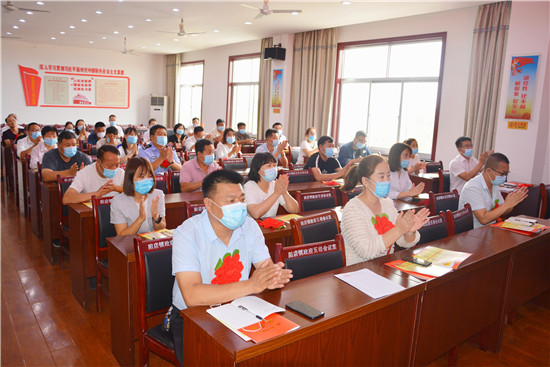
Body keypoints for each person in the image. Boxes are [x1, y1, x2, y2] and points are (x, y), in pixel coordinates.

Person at [170, 169, 293, 366]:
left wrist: (273, 276)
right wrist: (253, 285)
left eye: (242, 199)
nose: (239, 206)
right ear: (209, 205)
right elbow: (192, 296)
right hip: (193, 317)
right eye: (231, 201)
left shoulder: (249, 226)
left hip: (238, 306)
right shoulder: (186, 233)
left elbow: (265, 268)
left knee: (274, 350)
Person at [340, 155, 430, 265]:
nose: (387, 181)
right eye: (381, 177)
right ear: (365, 181)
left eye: (388, 176)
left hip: (385, 267)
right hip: (359, 271)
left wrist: (409, 232)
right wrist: (399, 229)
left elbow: (402, 241)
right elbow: (366, 251)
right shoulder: (353, 210)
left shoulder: (386, 203)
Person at [458, 153, 528, 229]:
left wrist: (512, 203)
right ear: (488, 171)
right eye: (502, 173)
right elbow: (483, 219)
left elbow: (503, 211)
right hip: (473, 233)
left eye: (506, 174)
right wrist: (507, 205)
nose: (504, 177)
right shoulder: (473, 187)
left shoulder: (494, 185)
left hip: (489, 229)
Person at [110, 157, 166, 236]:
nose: (146, 180)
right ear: (130, 180)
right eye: (141, 176)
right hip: (130, 243)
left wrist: (156, 218)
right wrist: (140, 219)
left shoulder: (158, 195)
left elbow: (162, 228)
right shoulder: (118, 202)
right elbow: (121, 235)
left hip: (151, 242)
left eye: (150, 176)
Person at [244, 153, 299, 219]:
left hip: (270, 226)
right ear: (258, 170)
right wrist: (277, 193)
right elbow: (255, 214)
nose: (273, 168)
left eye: (274, 166)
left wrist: (284, 192)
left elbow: (294, 209)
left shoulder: (275, 184)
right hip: (253, 227)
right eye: (269, 165)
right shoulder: (248, 187)